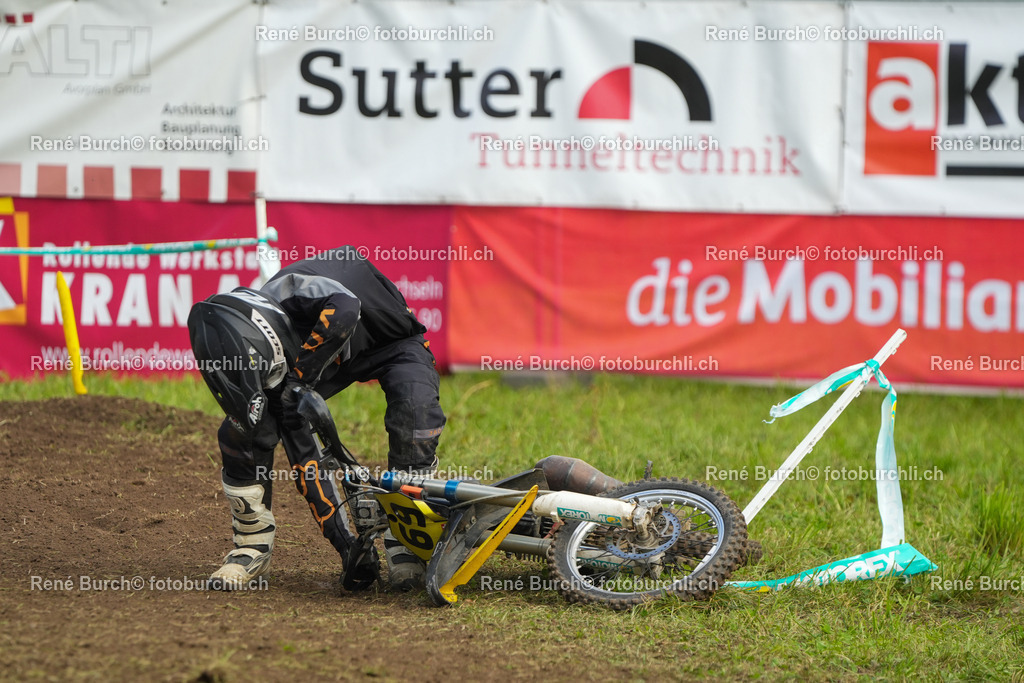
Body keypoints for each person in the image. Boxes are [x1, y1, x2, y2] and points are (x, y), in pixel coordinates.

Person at [187, 245, 445, 591]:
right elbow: (305, 456)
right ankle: (251, 546)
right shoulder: (266, 352)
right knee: (242, 430)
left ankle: (408, 543)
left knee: (415, 412)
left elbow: (345, 307)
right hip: (318, 359)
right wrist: (347, 547)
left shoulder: (291, 290)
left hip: (390, 340)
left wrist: (298, 380)